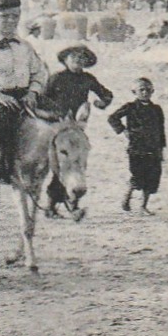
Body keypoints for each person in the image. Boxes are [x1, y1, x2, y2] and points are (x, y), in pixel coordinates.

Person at [0, 0, 49, 184]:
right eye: (4, 16)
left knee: (52, 116)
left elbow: (39, 73)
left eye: (15, 16)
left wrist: (33, 92)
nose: (11, 21)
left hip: (24, 93)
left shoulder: (25, 47)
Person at [39, 44, 112, 217]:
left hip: (77, 127)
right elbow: (41, 100)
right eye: (74, 58)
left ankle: (72, 202)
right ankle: (54, 204)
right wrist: (50, 114)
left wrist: (102, 103)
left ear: (86, 62)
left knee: (77, 163)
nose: (78, 62)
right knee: (60, 164)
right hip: (56, 126)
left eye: (82, 59)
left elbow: (106, 94)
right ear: (65, 60)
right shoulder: (56, 78)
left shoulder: (88, 79)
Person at [109, 78, 166, 214]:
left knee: (152, 177)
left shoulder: (157, 109)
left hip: (153, 148)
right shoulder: (130, 107)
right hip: (137, 147)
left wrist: (162, 148)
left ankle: (143, 206)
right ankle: (127, 197)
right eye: (141, 89)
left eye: (148, 89)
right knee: (137, 175)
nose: (145, 92)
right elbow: (112, 118)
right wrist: (123, 130)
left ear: (153, 91)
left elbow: (161, 129)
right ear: (134, 91)